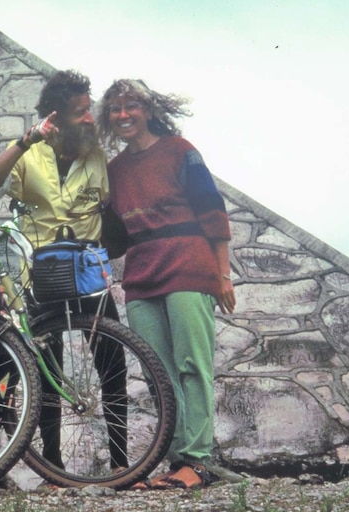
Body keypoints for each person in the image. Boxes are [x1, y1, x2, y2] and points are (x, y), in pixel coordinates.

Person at [0, 70, 129, 475]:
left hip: (90, 275)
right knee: (47, 371)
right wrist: (25, 140)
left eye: (88, 111)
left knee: (112, 367)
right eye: (81, 112)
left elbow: (131, 125)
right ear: (55, 117)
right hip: (42, 277)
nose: (88, 118)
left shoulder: (96, 147)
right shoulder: (30, 152)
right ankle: (54, 465)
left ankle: (122, 465)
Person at [98, 79, 237, 489]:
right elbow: (116, 239)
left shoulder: (181, 151)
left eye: (131, 106)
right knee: (157, 372)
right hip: (142, 275)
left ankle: (198, 461)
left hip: (189, 266)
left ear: (149, 110)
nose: (123, 115)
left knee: (192, 365)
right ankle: (176, 460)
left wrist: (223, 273)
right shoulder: (115, 170)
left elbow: (213, 211)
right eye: (115, 109)